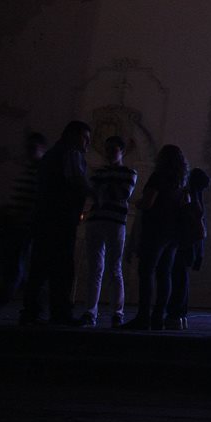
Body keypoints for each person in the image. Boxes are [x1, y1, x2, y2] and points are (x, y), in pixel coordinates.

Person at [21, 121, 91, 325]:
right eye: (84, 137)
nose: (87, 142)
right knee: (62, 268)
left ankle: (32, 312)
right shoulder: (71, 154)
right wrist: (95, 194)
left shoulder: (51, 155)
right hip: (61, 218)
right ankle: (60, 312)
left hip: (45, 217)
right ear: (73, 136)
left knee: (40, 266)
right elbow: (77, 180)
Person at [122, 145, 189, 330]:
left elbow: (148, 202)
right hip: (173, 233)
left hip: (155, 230)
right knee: (164, 275)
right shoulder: (181, 182)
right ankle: (159, 316)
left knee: (146, 272)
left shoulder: (158, 177)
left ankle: (143, 316)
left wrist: (137, 203)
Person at [75, 136, 138, 327]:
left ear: (122, 151)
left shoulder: (127, 173)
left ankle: (116, 312)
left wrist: (101, 192)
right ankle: (91, 312)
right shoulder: (102, 173)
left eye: (114, 149)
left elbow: (121, 194)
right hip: (101, 221)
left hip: (113, 222)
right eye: (108, 149)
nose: (110, 153)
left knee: (113, 269)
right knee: (97, 269)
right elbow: (109, 193)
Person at [0, 132, 46, 322]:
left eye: (33, 148)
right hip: (20, 227)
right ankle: (34, 307)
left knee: (15, 271)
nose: (29, 151)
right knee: (18, 270)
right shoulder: (31, 171)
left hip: (24, 227)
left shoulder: (38, 172)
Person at [165, 167, 209, 330]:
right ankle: (180, 315)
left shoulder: (188, 197)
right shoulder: (198, 200)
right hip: (192, 245)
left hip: (184, 243)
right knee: (182, 280)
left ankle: (175, 315)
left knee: (178, 279)